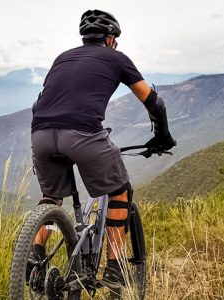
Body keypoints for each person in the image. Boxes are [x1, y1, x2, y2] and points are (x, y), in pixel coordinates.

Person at [28, 9, 176, 289]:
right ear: (110, 40)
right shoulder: (117, 58)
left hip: (41, 134)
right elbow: (154, 102)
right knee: (119, 191)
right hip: (83, 135)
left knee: (51, 197)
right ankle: (114, 267)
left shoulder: (62, 58)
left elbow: (40, 102)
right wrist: (162, 135)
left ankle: (34, 255)